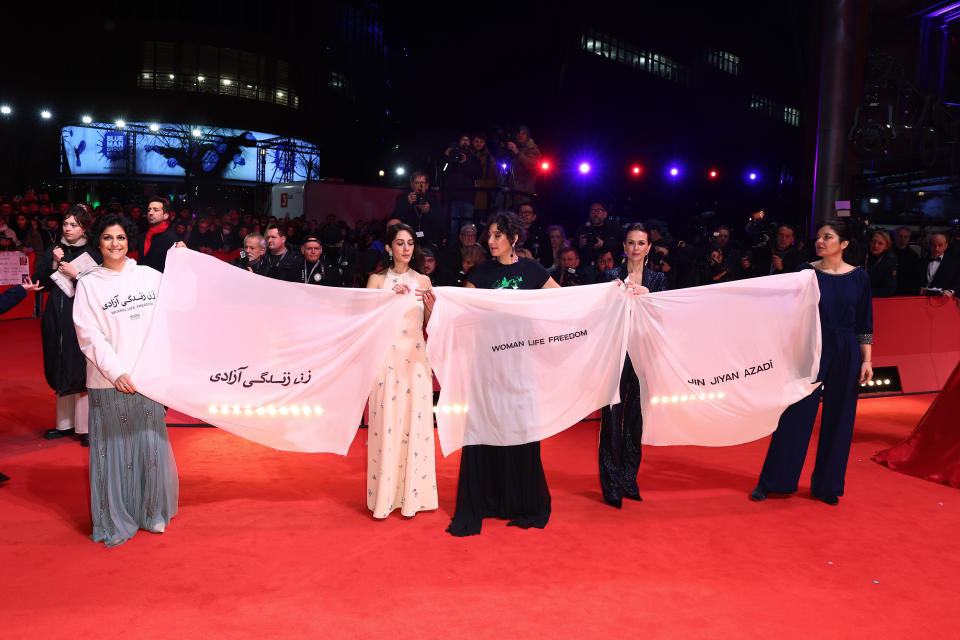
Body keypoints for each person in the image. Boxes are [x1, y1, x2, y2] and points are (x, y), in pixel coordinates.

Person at [447, 211, 560, 537]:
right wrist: (430, 302)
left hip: (521, 365)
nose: (491, 241)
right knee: (485, 428)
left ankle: (521, 500)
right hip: (486, 366)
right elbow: (458, 312)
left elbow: (564, 300)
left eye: (498, 235)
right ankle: (485, 500)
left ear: (514, 238)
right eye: (490, 235)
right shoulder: (480, 272)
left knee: (520, 429)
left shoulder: (532, 270)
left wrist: (609, 293)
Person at [72, 214, 178, 546]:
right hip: (108, 380)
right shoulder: (89, 282)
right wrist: (116, 372)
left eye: (120, 237)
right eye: (107, 238)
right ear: (98, 243)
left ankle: (151, 513)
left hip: (146, 379)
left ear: (129, 240)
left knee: (149, 448)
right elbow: (88, 335)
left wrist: (185, 265)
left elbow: (173, 315)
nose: (115, 244)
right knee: (112, 452)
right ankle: (115, 517)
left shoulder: (150, 277)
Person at [750, 220, 873, 506]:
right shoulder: (805, 272)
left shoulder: (859, 278)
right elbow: (786, 311)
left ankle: (827, 486)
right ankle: (774, 481)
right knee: (795, 414)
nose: (820, 242)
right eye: (818, 237)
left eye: (828, 237)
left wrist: (867, 360)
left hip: (846, 349)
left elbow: (865, 322)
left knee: (840, 417)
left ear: (843, 244)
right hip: (811, 348)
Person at [365, 223, 438, 518]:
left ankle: (414, 496)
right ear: (388, 247)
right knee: (387, 426)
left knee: (415, 426)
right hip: (386, 363)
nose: (406, 248)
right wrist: (387, 301)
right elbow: (367, 325)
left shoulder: (423, 280)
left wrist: (433, 307)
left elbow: (433, 324)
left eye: (410, 243)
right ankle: (384, 497)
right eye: (399, 243)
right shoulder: (375, 281)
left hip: (416, 362)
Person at [598, 224, 667, 507]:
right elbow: (599, 317)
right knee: (612, 420)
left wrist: (648, 296)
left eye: (641, 243)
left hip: (643, 356)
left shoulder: (659, 279)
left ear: (649, 247)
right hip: (615, 355)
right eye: (631, 243)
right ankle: (611, 483)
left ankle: (629, 478)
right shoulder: (610, 277)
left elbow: (663, 317)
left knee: (636, 421)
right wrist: (611, 296)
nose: (636, 248)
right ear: (623, 247)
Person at [33, 205, 100, 446]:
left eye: (74, 224)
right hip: (55, 316)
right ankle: (64, 424)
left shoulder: (94, 253)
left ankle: (86, 427)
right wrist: (53, 262)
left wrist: (76, 274)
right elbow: (39, 282)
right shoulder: (55, 249)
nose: (68, 228)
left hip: (81, 318)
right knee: (59, 363)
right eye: (65, 224)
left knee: (80, 368)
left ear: (84, 227)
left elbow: (99, 288)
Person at [392, 171, 445, 249]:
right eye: (417, 183)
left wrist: (428, 212)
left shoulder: (433, 201)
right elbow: (395, 221)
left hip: (429, 241)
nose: (419, 186)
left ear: (427, 186)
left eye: (422, 183)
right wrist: (407, 204)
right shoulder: (404, 200)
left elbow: (441, 223)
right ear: (411, 185)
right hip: (409, 241)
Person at [138, 197, 179, 272]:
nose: (150, 213)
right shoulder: (143, 236)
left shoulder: (171, 239)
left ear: (165, 215)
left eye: (155, 210)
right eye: (149, 210)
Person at [921, 232, 959, 297]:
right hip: (919, 300)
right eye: (934, 245)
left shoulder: (954, 263)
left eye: (940, 245)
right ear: (929, 245)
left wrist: (951, 291)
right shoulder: (921, 261)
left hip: (942, 301)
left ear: (946, 246)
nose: (936, 249)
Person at [864, 229, 898, 298]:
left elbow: (889, 290)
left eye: (880, 243)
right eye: (873, 242)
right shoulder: (863, 255)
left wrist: (865, 293)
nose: (875, 245)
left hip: (878, 300)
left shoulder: (890, 261)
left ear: (886, 246)